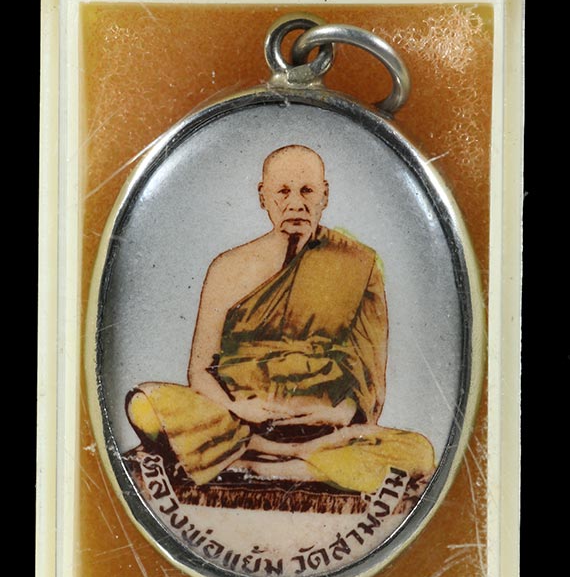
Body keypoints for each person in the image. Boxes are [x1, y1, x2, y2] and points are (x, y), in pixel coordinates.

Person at [126, 145, 434, 494]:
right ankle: (289, 464)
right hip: (238, 420)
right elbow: (200, 369)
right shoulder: (228, 268)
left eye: (307, 191)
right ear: (263, 196)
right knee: (146, 403)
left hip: (322, 428)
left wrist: (340, 414)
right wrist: (236, 407)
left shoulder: (358, 263)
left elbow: (369, 376)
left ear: (325, 195)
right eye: (283, 191)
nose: (295, 203)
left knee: (419, 452)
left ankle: (246, 466)